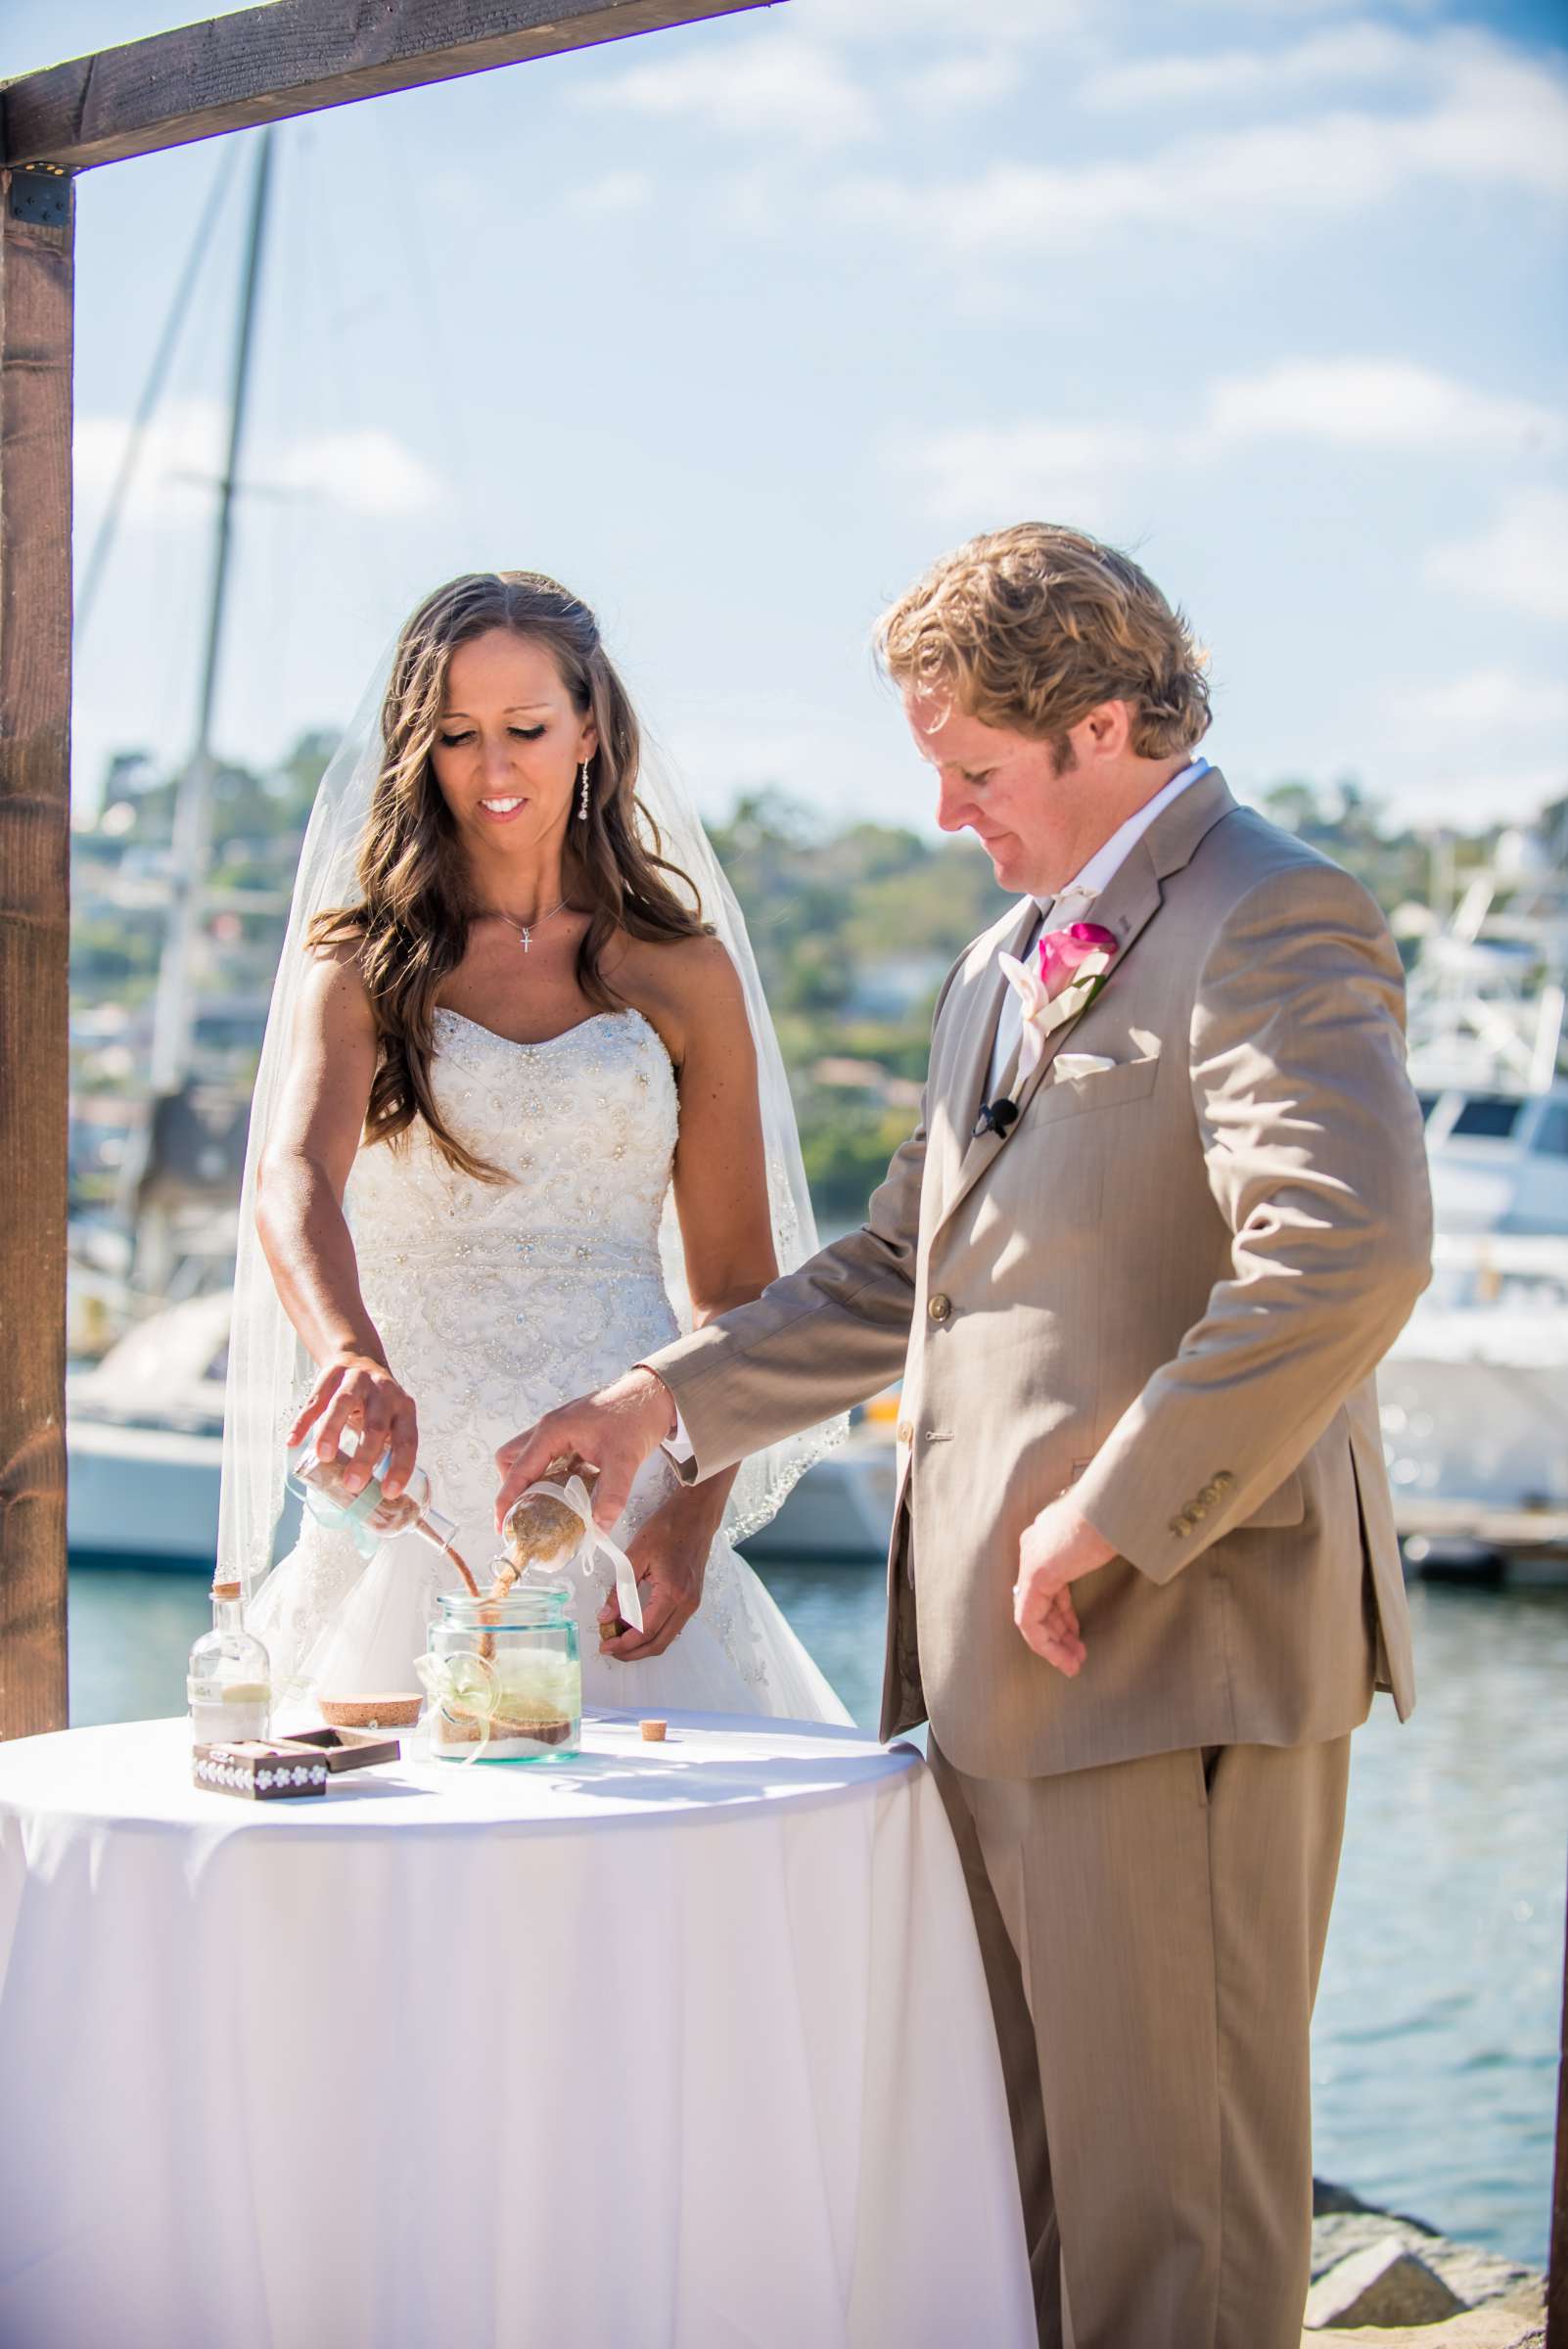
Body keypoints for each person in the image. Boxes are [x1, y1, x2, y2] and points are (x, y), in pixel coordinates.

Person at [493, 525, 1433, 2349]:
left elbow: (1347, 1249)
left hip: (1180, 1656)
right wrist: (659, 1406)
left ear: (1101, 726)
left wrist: (1113, 1505)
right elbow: (893, 1272)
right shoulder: (1003, 960)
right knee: (1027, 2205)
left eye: (973, 769)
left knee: (1177, 2227)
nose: (941, 814)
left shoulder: (1275, 910)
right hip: (988, 1679)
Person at [229, 570, 848, 1726]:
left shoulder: (683, 972)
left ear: (591, 732)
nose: (494, 769)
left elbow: (735, 1288)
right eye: (458, 736)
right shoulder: (361, 959)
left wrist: (691, 1513)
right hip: (408, 1467)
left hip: (621, 1484)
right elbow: (295, 1176)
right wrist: (347, 1351)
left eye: (526, 729)